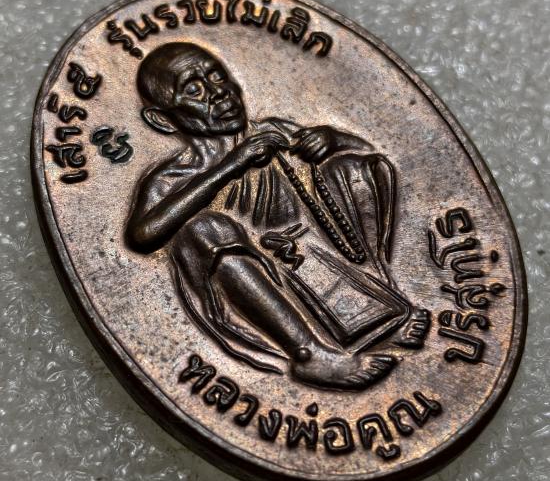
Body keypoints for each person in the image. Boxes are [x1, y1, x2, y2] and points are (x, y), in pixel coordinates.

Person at [126, 42, 430, 391]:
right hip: (255, 274)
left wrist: (331, 140)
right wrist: (232, 164)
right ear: (162, 119)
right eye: (194, 90)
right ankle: (309, 353)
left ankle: (386, 302)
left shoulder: (272, 132)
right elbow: (142, 235)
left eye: (217, 77)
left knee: (349, 168)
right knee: (204, 230)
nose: (219, 93)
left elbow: (371, 152)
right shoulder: (171, 177)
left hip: (316, 251)